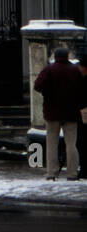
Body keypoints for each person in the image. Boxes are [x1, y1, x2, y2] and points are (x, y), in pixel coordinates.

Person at [34, 46, 83, 181]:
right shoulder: (74, 70)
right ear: (67, 56)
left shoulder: (49, 69)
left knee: (51, 142)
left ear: (55, 56)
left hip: (52, 112)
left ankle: (52, 172)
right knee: (71, 143)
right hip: (71, 113)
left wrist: (48, 93)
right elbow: (82, 89)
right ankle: (72, 173)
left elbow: (37, 85)